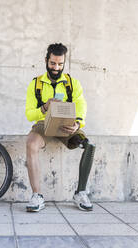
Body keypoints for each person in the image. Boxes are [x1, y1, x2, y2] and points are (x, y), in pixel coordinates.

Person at [25, 43, 95, 212]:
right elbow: (29, 114)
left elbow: (81, 105)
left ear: (64, 63)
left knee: (89, 146)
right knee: (31, 143)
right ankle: (37, 196)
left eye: (60, 64)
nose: (56, 68)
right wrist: (44, 107)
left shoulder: (73, 83)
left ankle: (80, 192)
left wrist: (78, 123)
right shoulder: (36, 84)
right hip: (44, 125)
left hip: (66, 126)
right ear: (46, 61)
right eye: (53, 63)